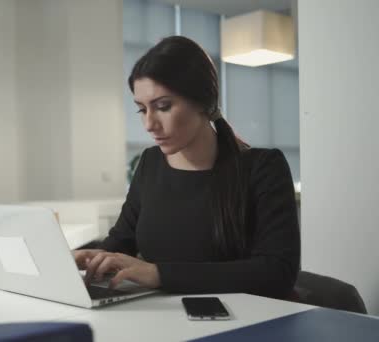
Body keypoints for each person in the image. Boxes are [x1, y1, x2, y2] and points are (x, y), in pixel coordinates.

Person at [74, 36, 300, 299]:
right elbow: (120, 244)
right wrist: (91, 258)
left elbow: (277, 273)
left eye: (163, 107)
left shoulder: (263, 168)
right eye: (141, 109)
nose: (149, 123)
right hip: (167, 320)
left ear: (203, 101)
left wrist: (159, 274)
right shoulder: (150, 163)